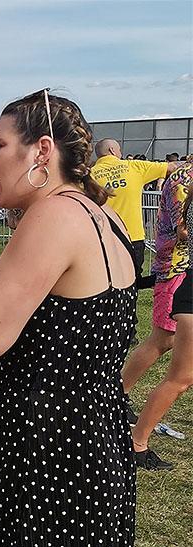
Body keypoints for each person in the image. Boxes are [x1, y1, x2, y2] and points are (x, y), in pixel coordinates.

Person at [0, 90, 136, 547]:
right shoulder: (104, 214)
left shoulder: (55, 215)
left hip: (50, 452)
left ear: (41, 150)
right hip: (95, 439)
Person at [120, 163, 191, 470]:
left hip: (179, 270)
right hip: (177, 270)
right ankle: (135, 439)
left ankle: (116, 397)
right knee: (170, 353)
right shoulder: (184, 177)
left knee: (165, 343)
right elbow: (183, 231)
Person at [91, 138, 179, 281]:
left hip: (101, 238)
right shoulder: (134, 167)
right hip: (133, 237)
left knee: (104, 281)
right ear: (112, 151)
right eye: (119, 150)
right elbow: (171, 167)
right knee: (131, 282)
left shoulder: (90, 175)